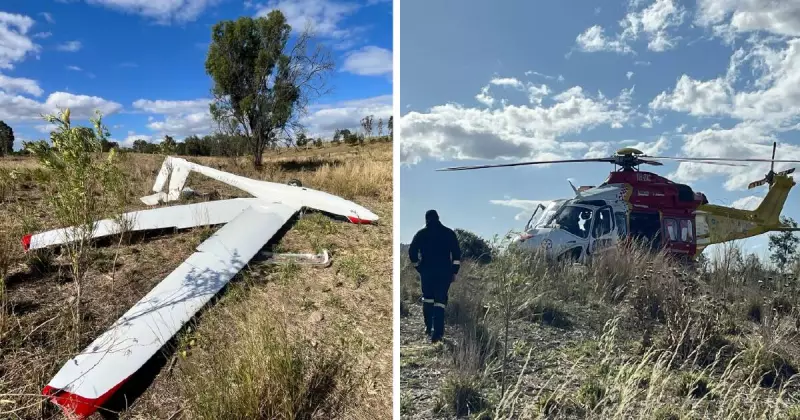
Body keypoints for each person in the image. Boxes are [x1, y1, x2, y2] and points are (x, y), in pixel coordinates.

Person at [408, 209, 462, 343]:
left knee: (428, 299)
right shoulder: (449, 233)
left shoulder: (421, 234)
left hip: (427, 271)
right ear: (438, 218)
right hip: (444, 272)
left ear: (426, 219)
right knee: (440, 302)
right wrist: (454, 271)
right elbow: (456, 255)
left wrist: (418, 266)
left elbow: (412, 251)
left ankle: (428, 327)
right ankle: (437, 334)